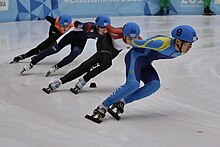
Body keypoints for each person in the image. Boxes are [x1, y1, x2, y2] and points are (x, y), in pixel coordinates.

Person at [87, 25, 198, 123]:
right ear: (178, 41)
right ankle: (102, 107)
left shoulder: (181, 51)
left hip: (145, 63)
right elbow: (137, 43)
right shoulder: (162, 43)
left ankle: (122, 102)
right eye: (188, 44)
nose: (190, 47)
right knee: (133, 84)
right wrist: (130, 39)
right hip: (135, 57)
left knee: (154, 85)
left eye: (191, 44)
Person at [42, 22, 141, 94]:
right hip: (104, 42)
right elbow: (105, 26)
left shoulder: (138, 40)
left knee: (88, 64)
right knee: (107, 63)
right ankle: (82, 80)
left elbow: (148, 45)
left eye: (134, 38)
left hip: (114, 50)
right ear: (124, 34)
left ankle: (61, 81)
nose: (132, 41)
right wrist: (83, 25)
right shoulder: (115, 32)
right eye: (129, 38)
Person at [20, 15, 111, 75]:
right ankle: (32, 63)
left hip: (80, 41)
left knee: (74, 54)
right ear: (97, 26)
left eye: (106, 28)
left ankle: (57, 67)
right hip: (71, 35)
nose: (104, 31)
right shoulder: (88, 26)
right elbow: (76, 23)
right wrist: (80, 25)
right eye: (102, 28)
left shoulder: (105, 32)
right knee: (52, 50)